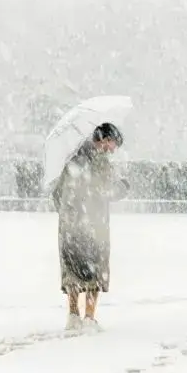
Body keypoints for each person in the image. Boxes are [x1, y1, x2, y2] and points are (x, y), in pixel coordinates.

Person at [52, 122, 129, 332]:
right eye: (113, 144)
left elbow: (57, 194)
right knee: (95, 271)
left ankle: (73, 316)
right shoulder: (100, 163)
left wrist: (68, 214)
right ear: (104, 139)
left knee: (73, 271)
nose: (113, 149)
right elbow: (105, 191)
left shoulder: (70, 159)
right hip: (94, 225)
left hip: (70, 226)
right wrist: (122, 188)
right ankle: (89, 318)